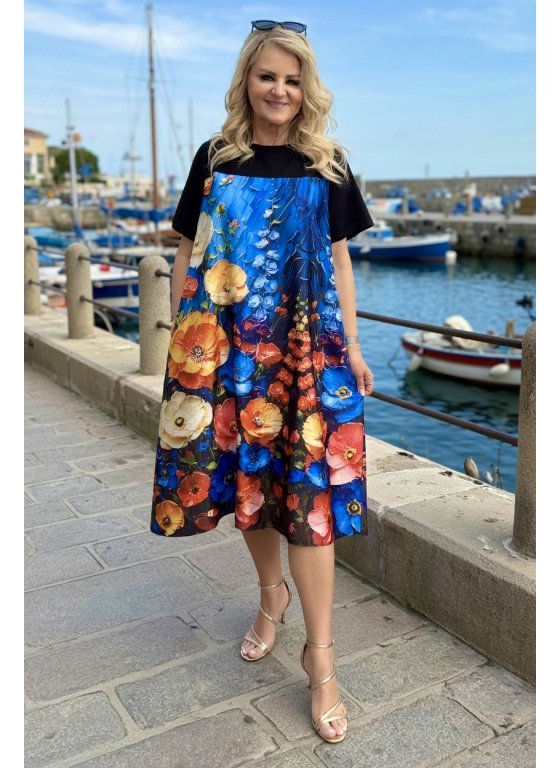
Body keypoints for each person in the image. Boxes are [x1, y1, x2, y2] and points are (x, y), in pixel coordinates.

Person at [149, 19, 375, 744]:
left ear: (308, 87)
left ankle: (321, 655)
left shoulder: (328, 164)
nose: (280, 89)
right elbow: (189, 248)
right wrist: (185, 343)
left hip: (307, 352)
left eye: (293, 79)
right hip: (229, 351)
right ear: (246, 80)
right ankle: (270, 594)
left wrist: (353, 347)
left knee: (310, 500)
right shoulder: (216, 158)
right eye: (267, 75)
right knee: (250, 483)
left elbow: (340, 261)